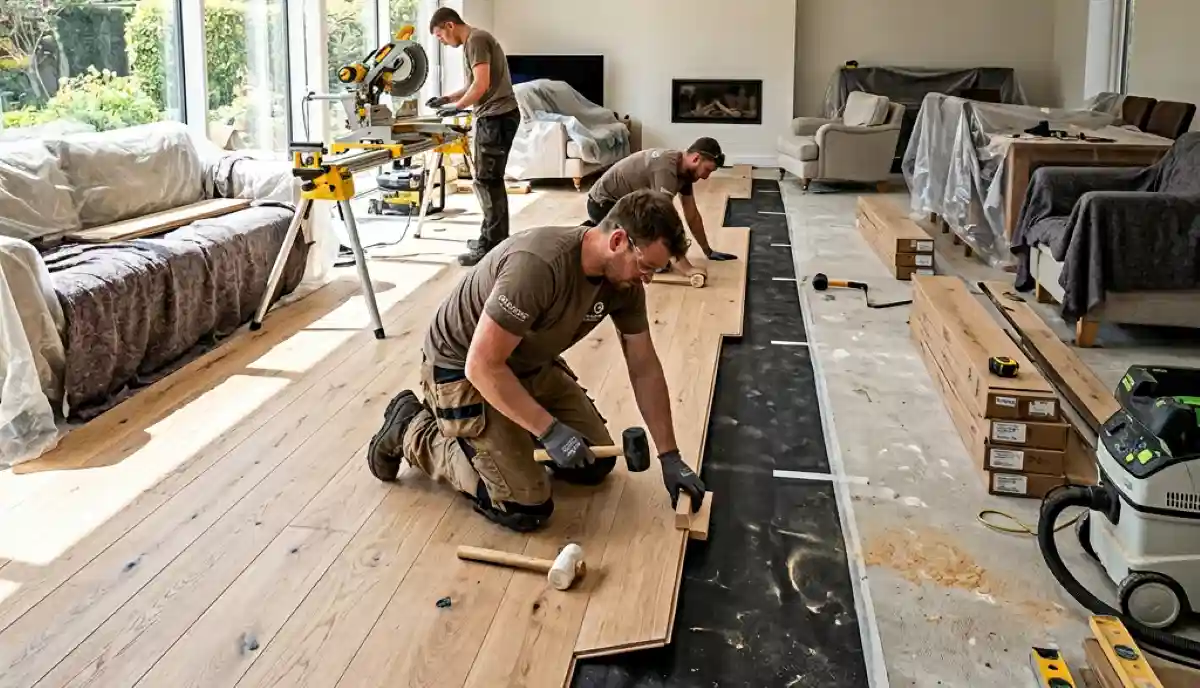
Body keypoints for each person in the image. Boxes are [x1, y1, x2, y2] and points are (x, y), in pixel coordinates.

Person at [366, 189, 706, 533]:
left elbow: (644, 366)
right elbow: (482, 365)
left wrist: (670, 455)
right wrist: (549, 429)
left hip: (525, 361)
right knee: (523, 506)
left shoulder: (625, 285)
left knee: (593, 462)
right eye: (646, 266)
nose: (647, 278)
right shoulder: (538, 266)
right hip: (463, 368)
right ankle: (412, 427)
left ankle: (509, 432)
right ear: (618, 240)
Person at [426, 8, 520, 267]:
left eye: (439, 36)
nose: (442, 42)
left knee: (488, 182)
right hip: (497, 116)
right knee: (488, 181)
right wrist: (447, 99)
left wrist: (456, 109)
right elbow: (473, 85)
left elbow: (481, 86)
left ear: (449, 25)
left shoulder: (476, 41)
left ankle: (491, 245)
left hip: (496, 118)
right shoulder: (474, 41)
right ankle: (492, 238)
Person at [585, 137, 738, 276]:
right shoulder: (665, 169)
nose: (706, 177)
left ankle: (594, 229)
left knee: (657, 254)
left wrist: (708, 251)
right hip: (602, 205)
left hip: (625, 206)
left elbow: (692, 215)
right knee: (638, 258)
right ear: (696, 158)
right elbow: (662, 223)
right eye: (707, 170)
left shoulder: (684, 172)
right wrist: (686, 268)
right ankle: (594, 230)